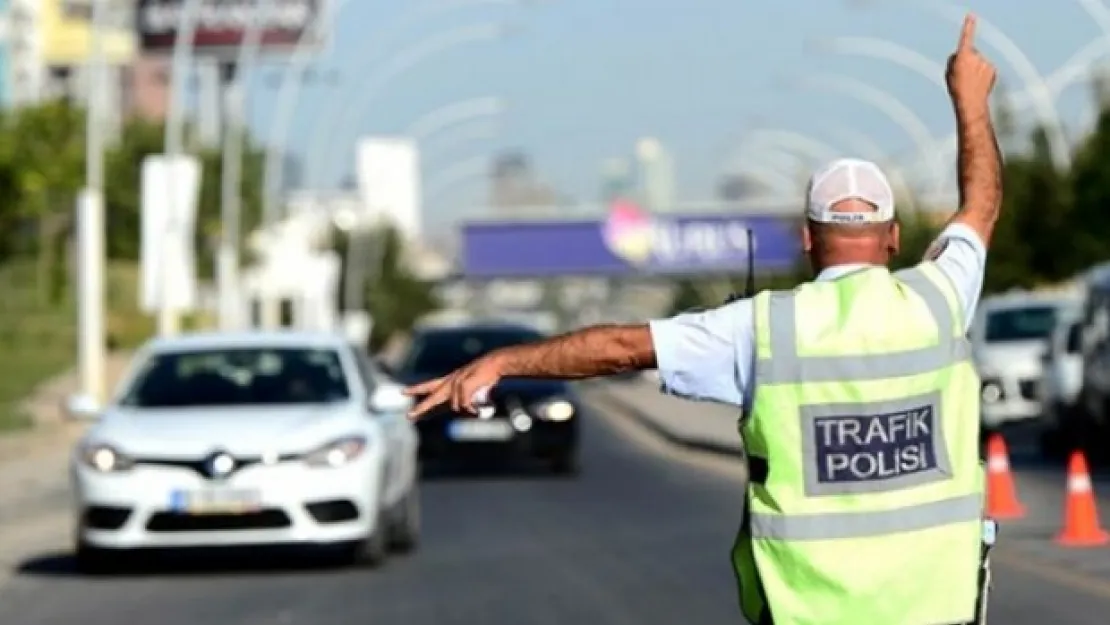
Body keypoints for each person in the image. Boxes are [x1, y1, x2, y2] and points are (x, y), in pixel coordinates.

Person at [405, 14, 1000, 625]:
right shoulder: (939, 299)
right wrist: (970, 101)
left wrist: (504, 362)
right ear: (894, 237)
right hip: (936, 609)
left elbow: (616, 348)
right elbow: (980, 206)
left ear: (806, 239)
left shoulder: (763, 328)